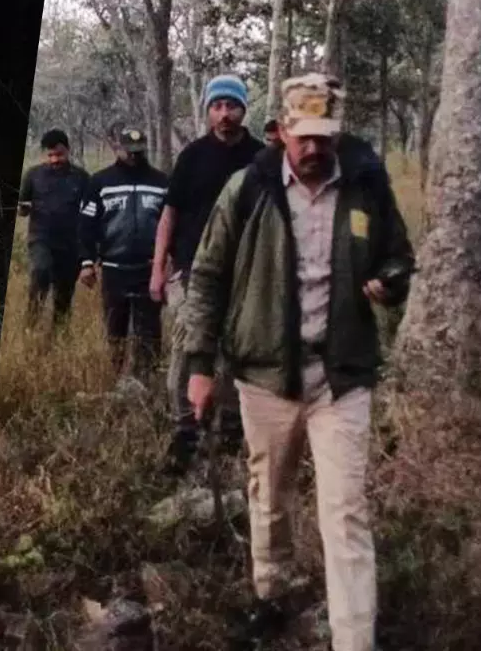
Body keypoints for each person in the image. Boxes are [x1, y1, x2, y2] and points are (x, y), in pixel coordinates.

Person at [178, 72, 415, 651]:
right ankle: (270, 596)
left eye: (325, 137)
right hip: (265, 376)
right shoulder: (250, 188)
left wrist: (390, 281)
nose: (314, 148)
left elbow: (399, 257)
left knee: (347, 513)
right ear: (282, 130)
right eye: (303, 136)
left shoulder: (365, 186)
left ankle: (354, 640)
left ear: (339, 133)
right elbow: (207, 277)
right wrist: (199, 365)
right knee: (269, 496)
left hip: (342, 378)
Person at [151, 74, 265, 477]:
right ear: (208, 111)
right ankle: (185, 435)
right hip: (189, 273)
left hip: (244, 278)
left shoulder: (260, 158)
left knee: (236, 356)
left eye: (231, 106)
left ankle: (231, 435)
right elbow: (170, 214)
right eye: (216, 107)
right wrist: (158, 268)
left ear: (243, 109)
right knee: (186, 351)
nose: (224, 114)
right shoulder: (193, 156)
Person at [78, 127, 169, 380]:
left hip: (149, 270)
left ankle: (147, 381)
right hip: (113, 269)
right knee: (115, 329)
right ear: (117, 149)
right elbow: (86, 226)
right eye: (128, 152)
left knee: (149, 332)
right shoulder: (100, 182)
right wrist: (87, 262)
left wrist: (167, 264)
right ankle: (117, 376)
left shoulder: (161, 182)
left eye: (138, 152)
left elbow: (172, 225)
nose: (133, 157)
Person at [18, 129, 91, 329]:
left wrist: (89, 252)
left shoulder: (82, 178)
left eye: (59, 154)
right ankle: (30, 324)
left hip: (70, 244)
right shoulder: (33, 175)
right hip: (41, 238)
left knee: (63, 296)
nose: (54, 160)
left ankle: (58, 339)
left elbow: (90, 214)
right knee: (41, 271)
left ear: (67, 150)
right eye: (50, 155)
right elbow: (22, 208)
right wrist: (23, 209)